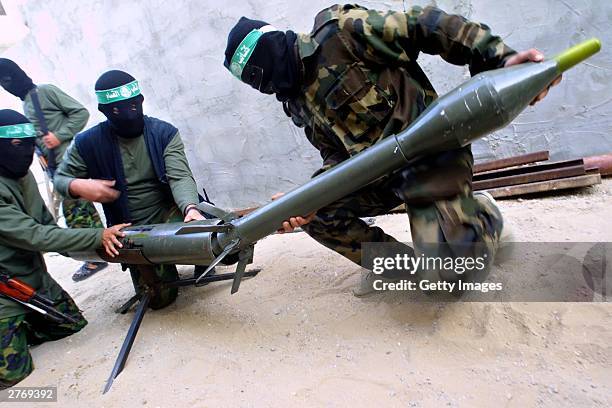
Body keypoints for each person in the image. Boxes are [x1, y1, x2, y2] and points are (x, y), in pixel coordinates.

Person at [223, 4, 561, 296]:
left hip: (431, 159)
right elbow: (336, 156)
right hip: (381, 177)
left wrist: (498, 57)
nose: (264, 87)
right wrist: (307, 201)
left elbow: (425, 25)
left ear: (267, 51)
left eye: (258, 74)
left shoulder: (340, 33)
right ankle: (400, 269)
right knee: (321, 216)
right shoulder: (295, 101)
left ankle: (484, 218)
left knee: (459, 277)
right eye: (254, 83)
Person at [54, 70, 208, 309]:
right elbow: (61, 180)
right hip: (130, 228)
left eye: (133, 106)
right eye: (116, 110)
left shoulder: (164, 133)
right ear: (104, 112)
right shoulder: (88, 143)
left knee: (217, 239)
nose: (128, 115)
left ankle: (198, 257)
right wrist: (77, 184)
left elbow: (180, 176)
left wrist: (191, 208)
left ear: (141, 101)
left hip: (169, 212)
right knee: (160, 300)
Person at [0, 109, 128, 388]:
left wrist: (101, 247)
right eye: (15, 146)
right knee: (14, 374)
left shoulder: (22, 177)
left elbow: (50, 228)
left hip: (32, 279)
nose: (25, 153)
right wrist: (97, 236)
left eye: (30, 144)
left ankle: (22, 327)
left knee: (70, 325)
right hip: (4, 291)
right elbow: (36, 236)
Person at [0, 58, 109, 282]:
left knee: (74, 211)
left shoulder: (45, 92)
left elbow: (80, 112)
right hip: (54, 167)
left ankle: (94, 256)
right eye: (3, 82)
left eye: (9, 79)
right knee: (81, 209)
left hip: (69, 162)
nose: (8, 85)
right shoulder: (27, 103)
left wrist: (59, 135)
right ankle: (100, 249)